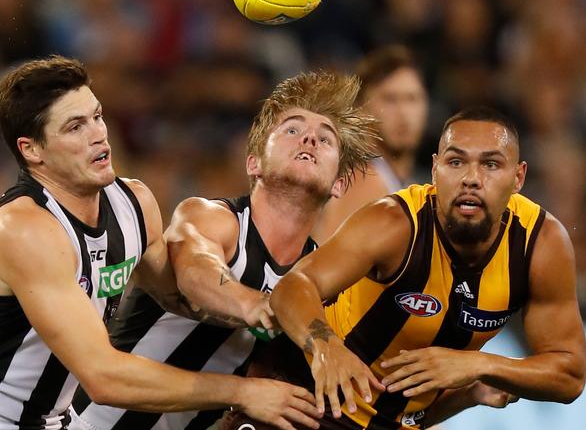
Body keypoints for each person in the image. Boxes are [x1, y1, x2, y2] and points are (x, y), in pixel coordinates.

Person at [0, 56, 322, 430]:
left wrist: (268, 314)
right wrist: (244, 392)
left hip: (52, 420)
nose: (98, 134)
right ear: (31, 150)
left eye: (97, 116)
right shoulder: (25, 229)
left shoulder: (133, 202)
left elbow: (177, 298)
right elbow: (103, 378)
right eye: (75, 127)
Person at [231, 107, 586, 429]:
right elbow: (293, 288)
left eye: (491, 164)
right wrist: (325, 347)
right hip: (307, 403)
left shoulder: (540, 244)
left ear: (518, 177)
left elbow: (570, 375)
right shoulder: (395, 223)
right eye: (456, 162)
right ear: (435, 169)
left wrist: (481, 366)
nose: (471, 179)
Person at [70, 70, 379, 430]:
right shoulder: (211, 217)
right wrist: (256, 305)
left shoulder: (322, 276)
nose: (310, 138)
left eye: (326, 140)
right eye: (292, 129)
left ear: (339, 184)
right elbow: (194, 271)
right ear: (255, 163)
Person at [313, 45, 428, 243]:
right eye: (390, 99)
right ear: (361, 110)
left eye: (412, 99)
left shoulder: (396, 181)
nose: (404, 113)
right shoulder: (362, 183)